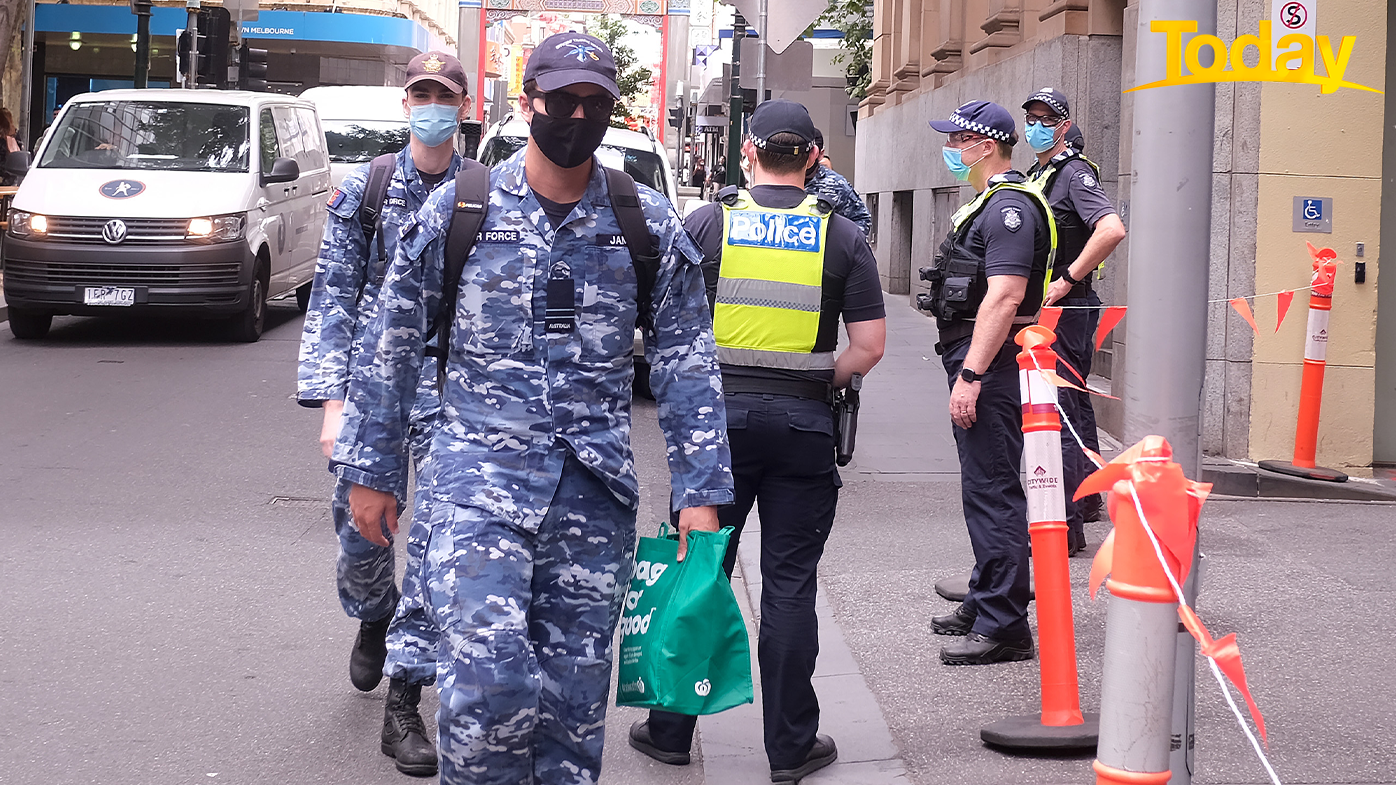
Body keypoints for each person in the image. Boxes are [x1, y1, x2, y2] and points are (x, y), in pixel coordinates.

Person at [334, 32, 734, 784]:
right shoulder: (464, 208)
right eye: (562, 99)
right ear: (527, 103)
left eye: (595, 102)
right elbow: (389, 340)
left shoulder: (643, 221)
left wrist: (701, 497)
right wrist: (372, 469)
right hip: (474, 489)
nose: (577, 115)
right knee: (486, 683)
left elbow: (687, 366)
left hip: (593, 499)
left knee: (570, 710)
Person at [627, 99, 886, 783]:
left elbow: (663, 323)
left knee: (699, 566)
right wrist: (811, 376)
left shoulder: (711, 222)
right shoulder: (841, 237)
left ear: (748, 151)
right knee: (790, 587)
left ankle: (670, 729)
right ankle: (790, 748)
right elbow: (869, 346)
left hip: (719, 429)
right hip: (803, 426)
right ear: (814, 157)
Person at [297, 50, 476, 777]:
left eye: (444, 93)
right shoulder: (365, 188)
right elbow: (333, 300)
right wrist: (333, 404)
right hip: (373, 387)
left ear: (464, 105)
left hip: (446, 384)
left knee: (436, 535)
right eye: (419, 92)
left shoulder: (480, 192)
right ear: (406, 105)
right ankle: (374, 611)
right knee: (360, 531)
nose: (431, 103)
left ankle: (407, 693)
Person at [922, 100, 1055, 665]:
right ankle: (987, 597)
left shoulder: (1009, 211)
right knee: (984, 483)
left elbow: (1003, 296)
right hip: (978, 354)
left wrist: (971, 375)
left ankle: (1004, 624)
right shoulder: (989, 203)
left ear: (983, 145)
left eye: (956, 139)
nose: (950, 149)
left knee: (992, 487)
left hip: (991, 361)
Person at [1022, 89, 1126, 545]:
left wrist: (1065, 279)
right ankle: (1085, 497)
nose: (1036, 125)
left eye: (1046, 118)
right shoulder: (1040, 173)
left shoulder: (1073, 174)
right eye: (1031, 117)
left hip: (1066, 307)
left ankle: (1063, 523)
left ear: (1064, 125)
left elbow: (1111, 229)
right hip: (1054, 308)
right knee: (1074, 403)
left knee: (1057, 406)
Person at [803, 128, 872, 236]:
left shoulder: (836, 184)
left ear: (820, 153)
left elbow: (862, 220)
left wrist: (838, 245)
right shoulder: (778, 177)